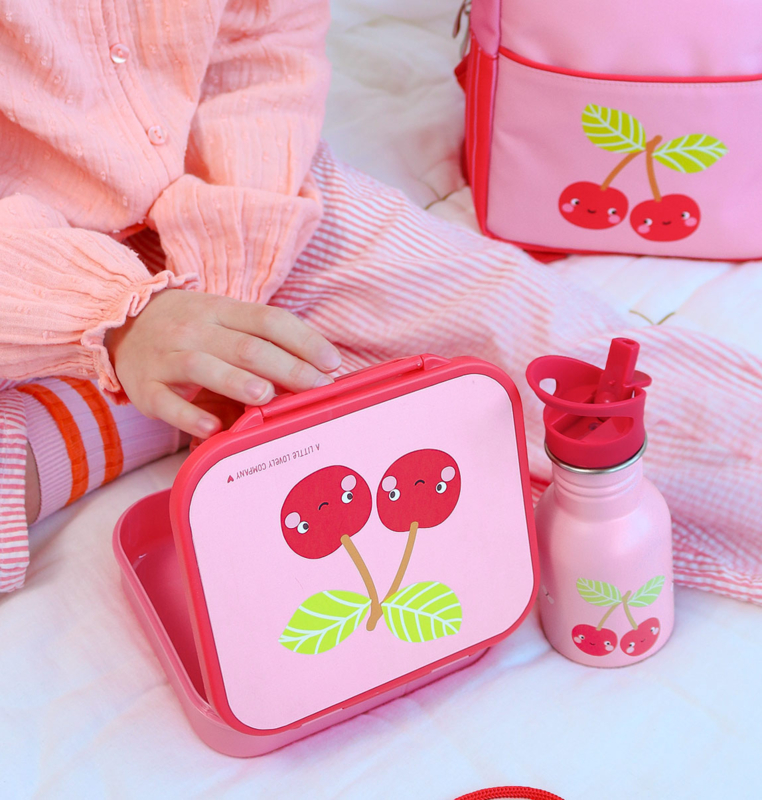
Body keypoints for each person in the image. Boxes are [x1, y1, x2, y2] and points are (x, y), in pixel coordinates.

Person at [1, 0, 759, 607]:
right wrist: (114, 315)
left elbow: (259, 35)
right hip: (24, 263)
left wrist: (233, 255)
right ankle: (163, 389)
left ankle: (180, 388)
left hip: (243, 198)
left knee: (554, 357)